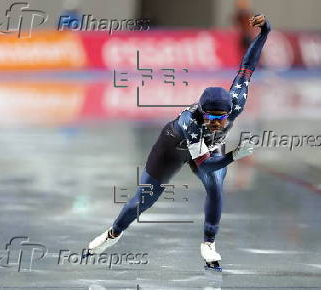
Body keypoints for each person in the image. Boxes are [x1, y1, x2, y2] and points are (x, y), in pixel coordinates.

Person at [86, 14, 271, 271]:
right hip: (173, 144)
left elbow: (246, 67)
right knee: (146, 198)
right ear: (201, 112)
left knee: (216, 187)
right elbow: (206, 165)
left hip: (206, 146)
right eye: (211, 117)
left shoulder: (236, 101)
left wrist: (264, 34)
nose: (218, 122)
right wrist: (234, 156)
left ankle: (208, 243)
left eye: (222, 118)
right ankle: (113, 234)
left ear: (230, 111)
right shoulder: (190, 122)